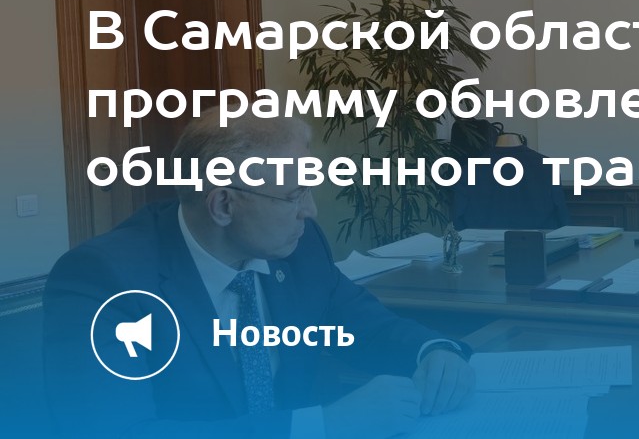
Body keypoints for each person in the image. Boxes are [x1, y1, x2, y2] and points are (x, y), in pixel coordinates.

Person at [43, 111, 474, 438]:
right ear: (223, 205)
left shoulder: (299, 247)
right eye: (294, 195)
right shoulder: (104, 279)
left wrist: (432, 351)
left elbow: (363, 324)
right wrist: (325, 425)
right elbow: (117, 431)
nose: (310, 211)